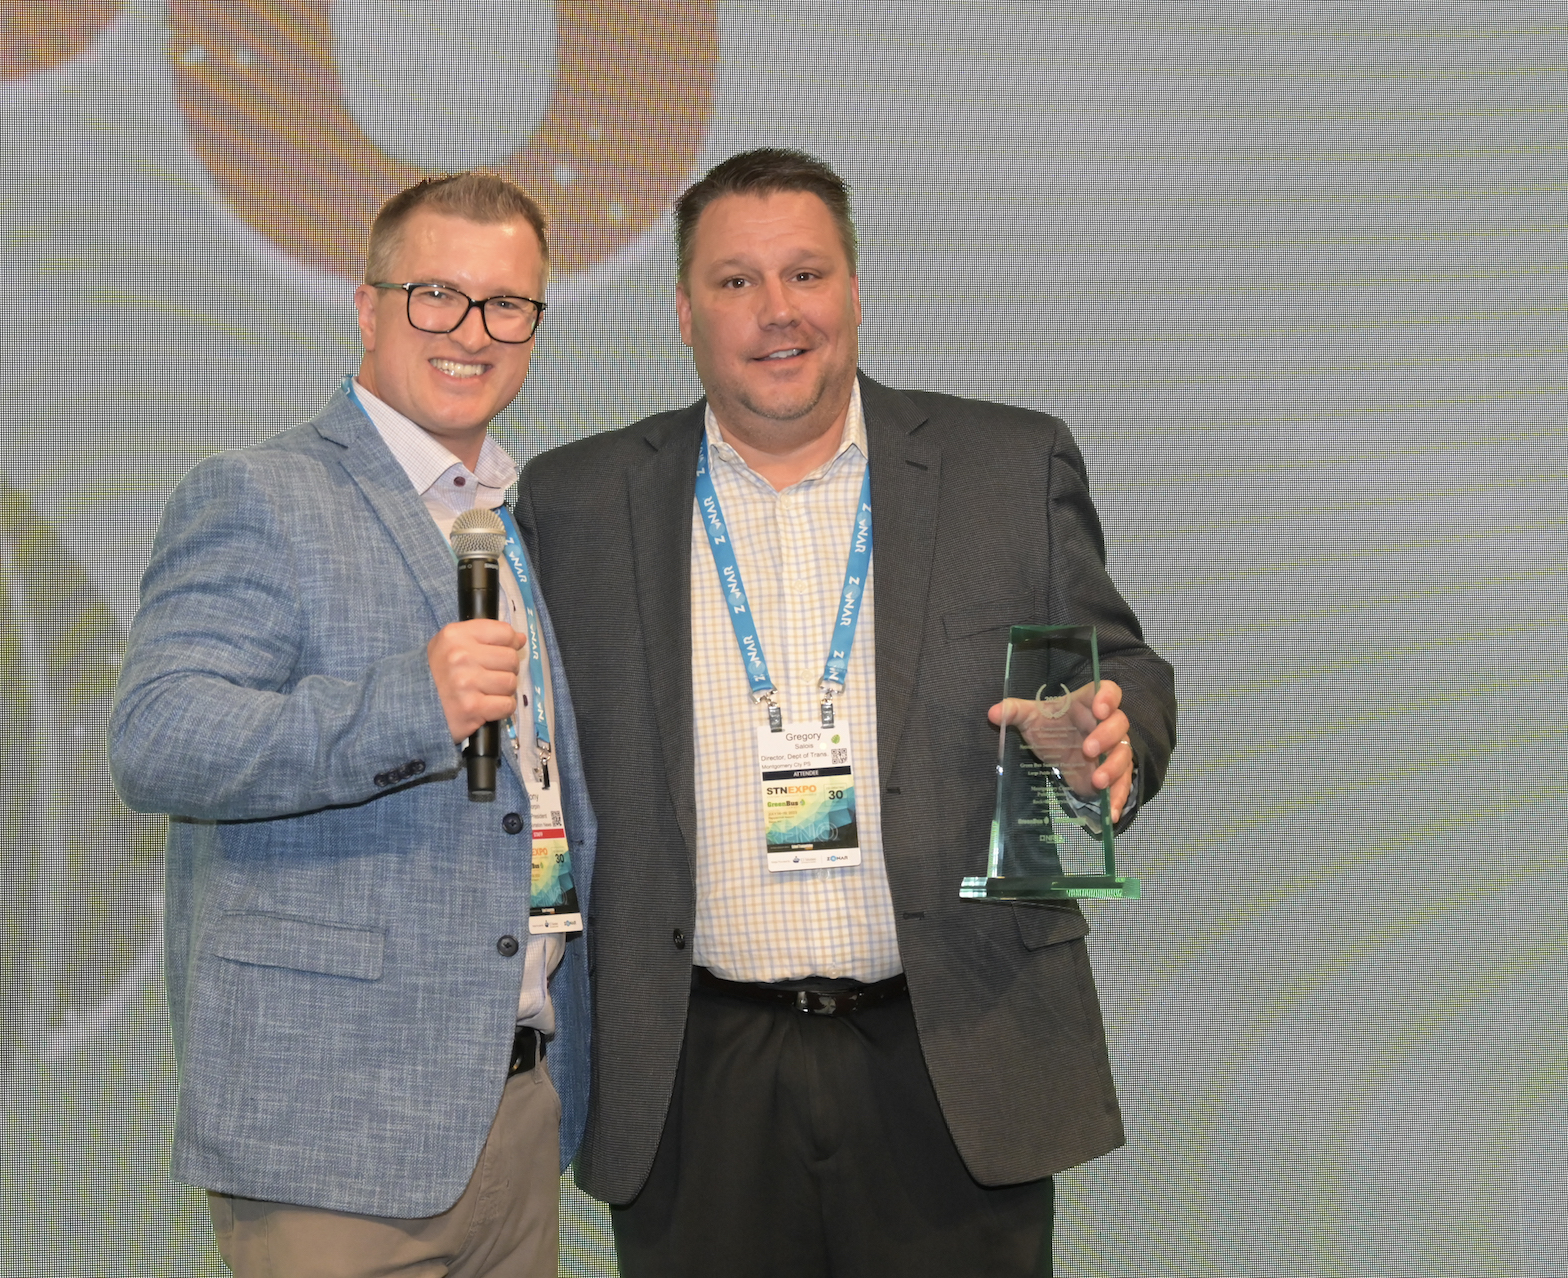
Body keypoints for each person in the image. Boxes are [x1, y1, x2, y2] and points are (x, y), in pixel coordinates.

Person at [515, 148, 1176, 1276]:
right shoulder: (575, 501)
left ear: (855, 290)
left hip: (952, 1052)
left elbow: (1124, 672)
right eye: (736, 282)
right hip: (690, 1073)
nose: (778, 312)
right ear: (684, 311)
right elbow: (537, 766)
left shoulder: (1004, 465)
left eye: (806, 275)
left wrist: (1107, 743)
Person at [110, 171, 594, 1278]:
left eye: (506, 305)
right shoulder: (260, 494)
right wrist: (408, 703)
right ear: (368, 307)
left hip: (514, 1115)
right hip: (330, 1133)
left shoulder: (513, 516)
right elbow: (157, 735)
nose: (471, 330)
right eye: (436, 294)